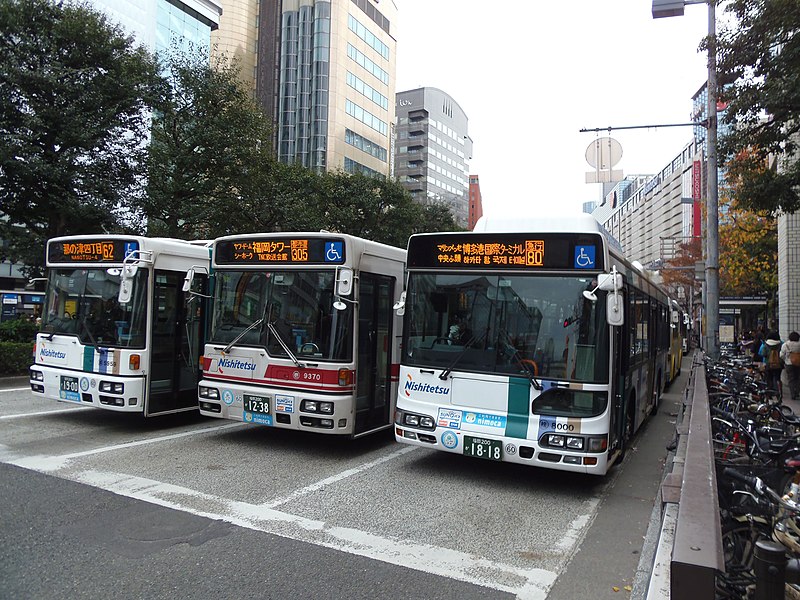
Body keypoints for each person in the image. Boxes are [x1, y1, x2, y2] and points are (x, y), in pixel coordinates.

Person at [761, 331, 784, 395]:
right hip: (779, 364)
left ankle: (770, 390)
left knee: (769, 377)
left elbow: (763, 353)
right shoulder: (781, 344)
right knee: (777, 377)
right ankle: (779, 390)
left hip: (769, 364)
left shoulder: (766, 345)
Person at [780, 331, 800, 401]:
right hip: (798, 363)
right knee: (797, 378)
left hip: (789, 364)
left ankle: (792, 394)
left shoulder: (785, 345)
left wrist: (786, 359)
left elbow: (781, 355)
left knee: (791, 379)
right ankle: (797, 392)